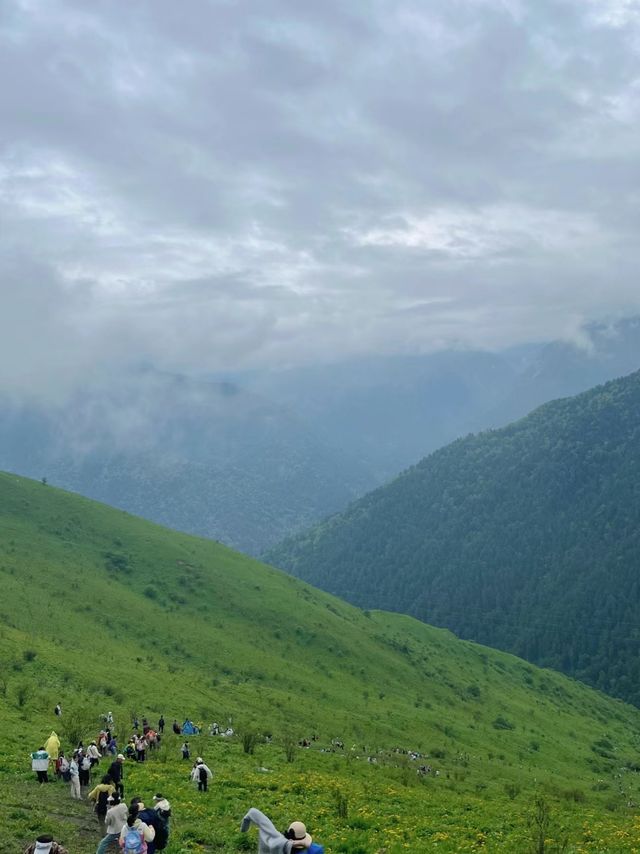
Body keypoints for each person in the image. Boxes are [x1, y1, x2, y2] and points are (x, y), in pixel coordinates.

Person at [240, 808, 324, 853]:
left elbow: (254, 813)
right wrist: (303, 844)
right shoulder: (317, 849)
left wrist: (244, 828)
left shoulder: (278, 845)